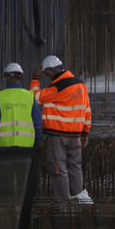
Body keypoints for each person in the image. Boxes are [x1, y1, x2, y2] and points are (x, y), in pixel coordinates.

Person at [31, 55, 93, 204]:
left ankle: (63, 205)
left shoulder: (58, 87)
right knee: (75, 167)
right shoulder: (81, 85)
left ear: (51, 71)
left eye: (47, 74)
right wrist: (85, 132)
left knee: (58, 169)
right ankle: (80, 199)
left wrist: (35, 78)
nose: (48, 77)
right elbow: (87, 110)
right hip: (76, 136)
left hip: (58, 135)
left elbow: (36, 97)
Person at [0, 62, 43, 149]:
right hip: (26, 145)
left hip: (4, 145)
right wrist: (38, 141)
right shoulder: (30, 96)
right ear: (21, 78)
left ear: (6, 77)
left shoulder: (0, 96)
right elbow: (37, 123)